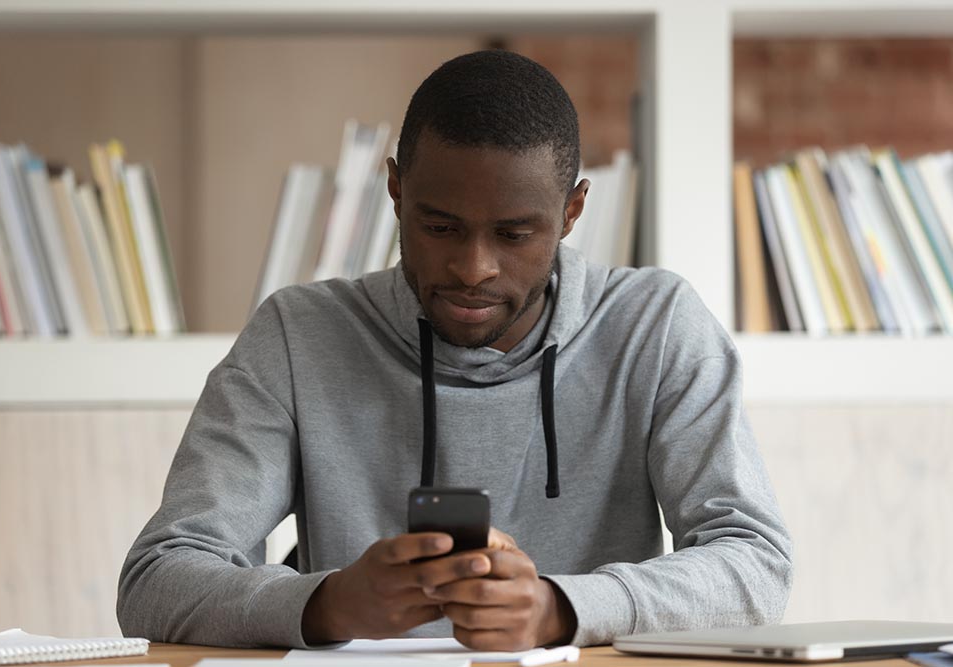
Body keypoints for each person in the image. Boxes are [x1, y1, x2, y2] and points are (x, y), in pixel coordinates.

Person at [117, 50, 792, 651]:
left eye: (514, 234)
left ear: (572, 212)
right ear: (395, 191)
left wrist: (561, 608)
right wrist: (327, 603)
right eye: (440, 226)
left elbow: (755, 562)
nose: (473, 268)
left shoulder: (657, 326)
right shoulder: (299, 335)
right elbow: (157, 577)